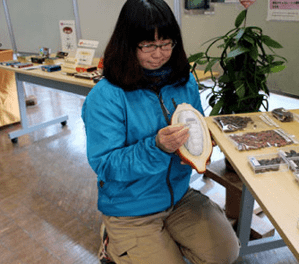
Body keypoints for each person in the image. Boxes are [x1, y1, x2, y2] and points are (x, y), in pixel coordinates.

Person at [81, 0, 240, 263]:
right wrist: (156, 147)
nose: (159, 54)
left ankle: (155, 243)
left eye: (166, 44)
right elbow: (106, 165)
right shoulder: (106, 96)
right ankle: (113, 242)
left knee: (226, 252)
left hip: (178, 196)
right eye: (148, 45)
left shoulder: (184, 80)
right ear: (127, 44)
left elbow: (196, 125)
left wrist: (204, 141)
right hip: (130, 206)